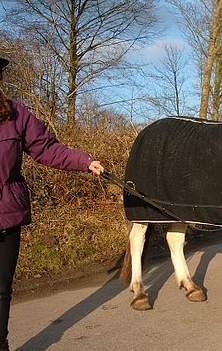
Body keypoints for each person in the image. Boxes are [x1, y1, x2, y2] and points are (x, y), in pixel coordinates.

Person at [0, 56, 104, 351]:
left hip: (5, 215)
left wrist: (85, 162)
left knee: (1, 290)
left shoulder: (15, 114)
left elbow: (46, 149)